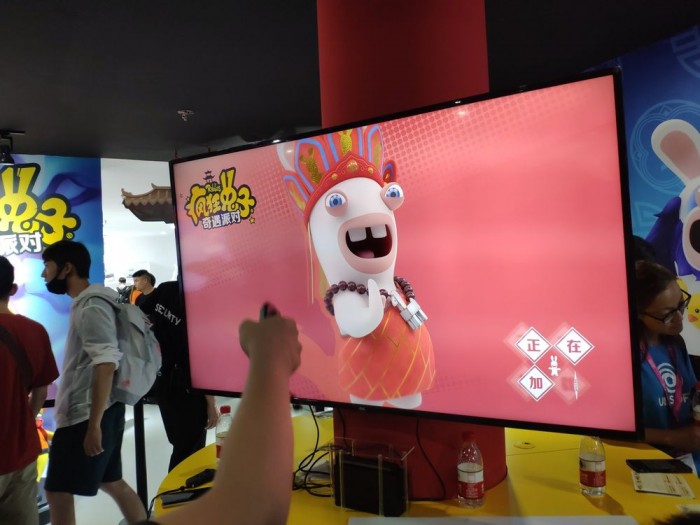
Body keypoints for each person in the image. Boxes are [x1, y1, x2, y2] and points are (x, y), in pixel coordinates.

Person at [140, 307, 301, 525]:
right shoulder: (189, 313)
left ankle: (172, 495)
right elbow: (260, 509)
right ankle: (175, 494)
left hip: (167, 387)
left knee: (182, 447)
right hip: (182, 390)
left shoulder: (160, 302)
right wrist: (270, 358)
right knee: (186, 448)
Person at [41, 240, 147, 525]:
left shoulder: (91, 306)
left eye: (47, 266)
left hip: (85, 413)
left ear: (67, 268)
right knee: (111, 481)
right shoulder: (92, 302)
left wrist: (94, 426)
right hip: (99, 409)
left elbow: (106, 364)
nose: (44, 274)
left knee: (57, 491)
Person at [0, 256, 59, 525]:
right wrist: (24, 420)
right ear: (12, 289)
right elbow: (40, 392)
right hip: (20, 451)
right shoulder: (34, 331)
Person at [137, 281, 218, 471]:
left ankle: (178, 486)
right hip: (186, 387)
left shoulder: (167, 288)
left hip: (163, 380)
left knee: (181, 444)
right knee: (189, 449)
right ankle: (177, 488)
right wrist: (211, 403)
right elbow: (202, 359)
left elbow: (139, 313)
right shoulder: (201, 303)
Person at [635, 260, 700, 473]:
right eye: (668, 313)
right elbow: (610, 430)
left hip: (691, 463)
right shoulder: (626, 357)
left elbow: (688, 395)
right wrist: (671, 437)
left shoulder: (675, 343)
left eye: (681, 304)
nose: (680, 318)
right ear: (638, 313)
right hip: (650, 466)